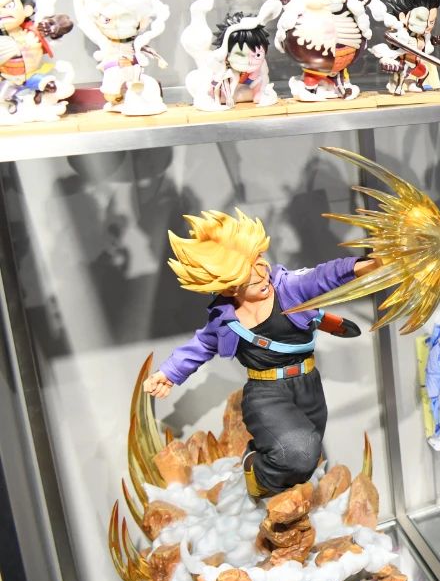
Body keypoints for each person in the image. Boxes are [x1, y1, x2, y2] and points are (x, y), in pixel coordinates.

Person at [143, 210, 376, 497]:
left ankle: (284, 497)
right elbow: (201, 345)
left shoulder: (288, 287)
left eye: (260, 264)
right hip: (266, 392)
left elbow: (324, 276)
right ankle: (256, 473)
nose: (262, 276)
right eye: (250, 280)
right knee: (300, 452)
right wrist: (168, 373)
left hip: (308, 384)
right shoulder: (225, 319)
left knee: (308, 452)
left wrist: (366, 266)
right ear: (230, 288)